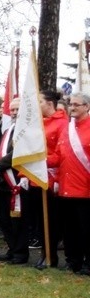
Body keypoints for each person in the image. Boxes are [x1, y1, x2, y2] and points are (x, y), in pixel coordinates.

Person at [47, 92, 90, 274]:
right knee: (70, 230)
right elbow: (58, 156)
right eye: (70, 104)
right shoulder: (67, 129)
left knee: (87, 230)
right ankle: (74, 261)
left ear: (86, 107)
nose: (71, 107)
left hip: (85, 190)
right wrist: (41, 159)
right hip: (66, 189)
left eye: (76, 105)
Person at [0, 98, 28, 264]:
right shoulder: (8, 129)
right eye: (11, 110)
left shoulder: (26, 130)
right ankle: (12, 248)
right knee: (4, 219)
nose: (14, 113)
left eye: (17, 109)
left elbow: (19, 152)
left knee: (17, 221)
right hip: (2, 182)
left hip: (17, 181)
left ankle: (20, 253)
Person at [34, 90, 68, 269]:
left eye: (40, 101)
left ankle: (51, 254)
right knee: (41, 218)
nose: (37, 104)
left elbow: (62, 152)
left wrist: (44, 161)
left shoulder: (62, 123)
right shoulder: (39, 123)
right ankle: (44, 253)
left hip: (53, 176)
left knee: (53, 219)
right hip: (39, 175)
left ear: (49, 104)